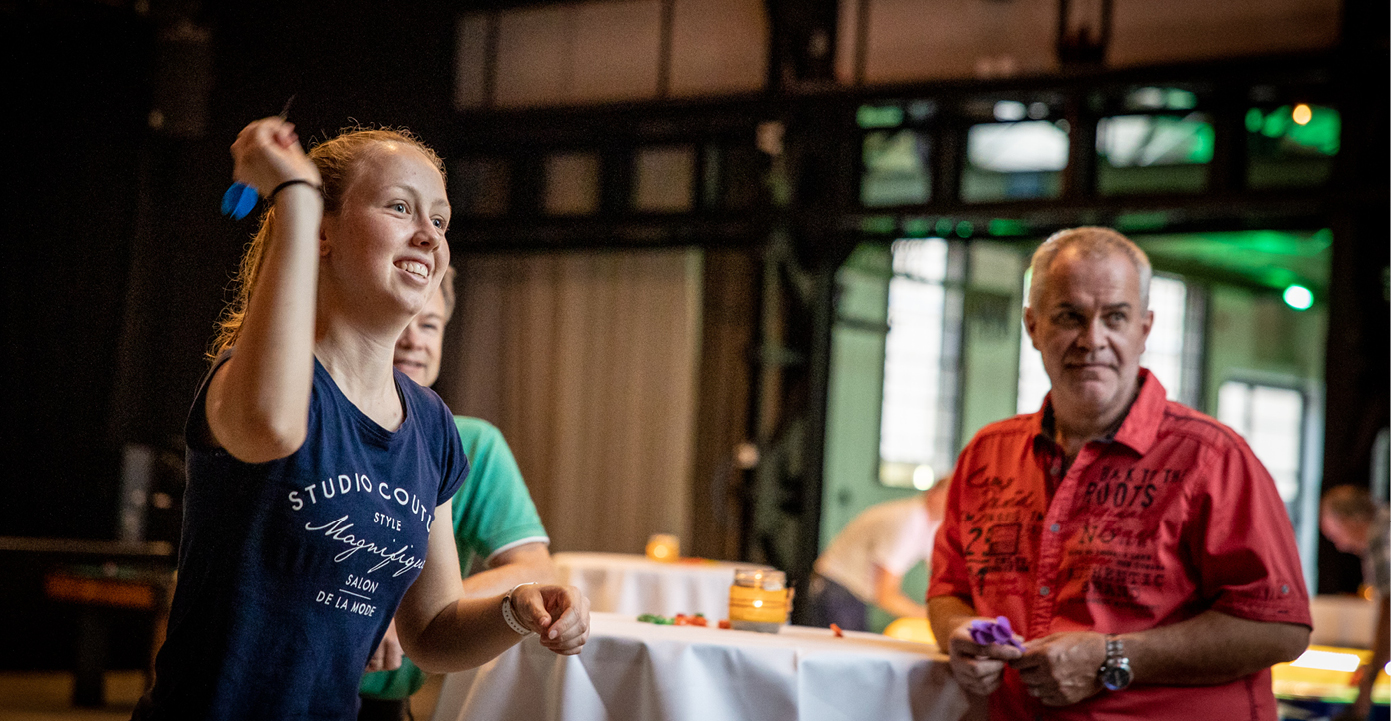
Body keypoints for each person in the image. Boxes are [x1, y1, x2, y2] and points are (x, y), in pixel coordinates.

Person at [136, 118, 589, 720]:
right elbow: (275, 425)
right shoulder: (250, 379)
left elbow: (432, 630)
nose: (429, 235)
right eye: (401, 208)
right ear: (324, 233)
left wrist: (517, 607)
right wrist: (294, 197)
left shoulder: (431, 425)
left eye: (440, 219)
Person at [928, 227, 1311, 720]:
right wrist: (962, 635)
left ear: (1144, 329)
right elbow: (949, 592)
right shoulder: (988, 455)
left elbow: (1280, 629)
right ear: (1032, 325)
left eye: (1115, 317)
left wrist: (1112, 657)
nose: (1093, 340)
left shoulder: (1211, 459)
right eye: (1069, 316)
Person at [355, 268, 555, 720]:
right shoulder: (317, 423)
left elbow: (537, 567)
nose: (414, 340)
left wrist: (413, 610)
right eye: (402, 319)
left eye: (430, 324)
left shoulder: (468, 443)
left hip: (383, 707)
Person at [809, 476, 949, 631]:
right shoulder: (908, 522)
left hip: (853, 593)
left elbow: (939, 572)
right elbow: (886, 596)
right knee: (844, 652)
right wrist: (931, 616)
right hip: (837, 590)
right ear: (934, 493)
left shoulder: (932, 524)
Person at [1320, 485, 1390, 721]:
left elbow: (1389, 610)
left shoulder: (1381, 534)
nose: (1340, 545)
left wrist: (1369, 682)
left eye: (1335, 534)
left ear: (1350, 519)